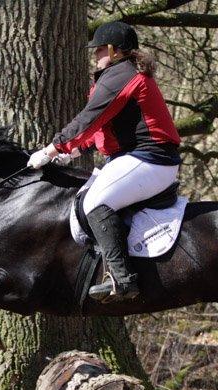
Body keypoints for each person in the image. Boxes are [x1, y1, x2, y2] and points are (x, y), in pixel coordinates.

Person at [27, 21, 181, 303]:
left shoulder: (121, 74)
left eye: (99, 49)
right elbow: (102, 127)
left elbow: (89, 118)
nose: (95, 55)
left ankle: (122, 280)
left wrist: (52, 149)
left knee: (95, 202)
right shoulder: (120, 73)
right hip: (136, 158)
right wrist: (73, 151)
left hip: (150, 159)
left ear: (115, 50)